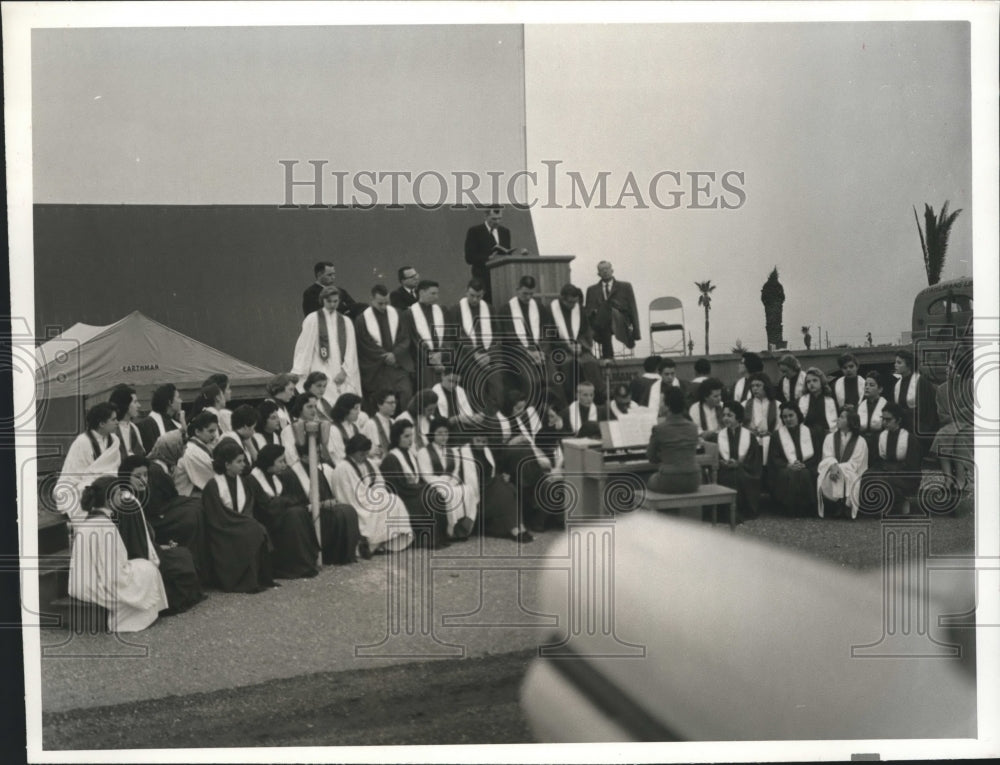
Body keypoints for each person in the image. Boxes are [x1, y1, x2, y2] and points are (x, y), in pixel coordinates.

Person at [68, 475, 169, 632]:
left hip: (80, 584)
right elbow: (115, 575)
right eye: (119, 494)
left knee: (142, 566)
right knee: (149, 568)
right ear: (110, 499)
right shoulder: (106, 527)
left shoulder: (87, 523)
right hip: (96, 586)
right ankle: (138, 617)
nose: (122, 498)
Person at [118, 457, 205, 612]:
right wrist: (158, 549)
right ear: (126, 477)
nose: (143, 480)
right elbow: (133, 541)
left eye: (145, 475)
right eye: (138, 476)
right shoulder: (127, 502)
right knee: (180, 559)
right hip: (137, 554)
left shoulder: (137, 496)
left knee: (183, 554)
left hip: (149, 546)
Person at [128, 445, 211, 585]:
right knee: (191, 515)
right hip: (156, 515)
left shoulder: (158, 467)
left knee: (196, 508)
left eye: (145, 476)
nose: (143, 479)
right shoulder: (154, 469)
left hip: (162, 508)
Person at [201, 440, 276, 593]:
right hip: (222, 529)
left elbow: (247, 507)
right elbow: (215, 516)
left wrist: (245, 522)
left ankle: (258, 579)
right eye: (239, 461)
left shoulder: (244, 482)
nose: (244, 464)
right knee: (252, 530)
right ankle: (243, 582)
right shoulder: (212, 485)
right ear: (227, 464)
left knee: (256, 529)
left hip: (240, 523)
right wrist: (243, 523)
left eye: (243, 460)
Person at [273, 442, 362, 566]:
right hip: (305, 514)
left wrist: (329, 502)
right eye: (317, 453)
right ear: (304, 456)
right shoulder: (290, 474)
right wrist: (319, 505)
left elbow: (326, 494)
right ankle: (327, 555)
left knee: (349, 510)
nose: (320, 456)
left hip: (321, 508)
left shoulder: (316, 470)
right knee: (340, 514)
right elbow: (292, 502)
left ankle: (342, 555)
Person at [330, 433, 414, 555]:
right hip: (356, 503)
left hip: (371, 498)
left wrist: (379, 494)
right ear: (352, 452)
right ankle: (371, 544)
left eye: (365, 453)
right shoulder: (343, 468)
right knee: (384, 506)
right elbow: (351, 494)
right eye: (361, 454)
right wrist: (373, 497)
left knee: (394, 500)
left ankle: (386, 542)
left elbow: (380, 482)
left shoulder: (368, 463)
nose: (364, 457)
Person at [246, 444, 321, 577]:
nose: (284, 465)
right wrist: (285, 502)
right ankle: (296, 566)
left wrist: (284, 502)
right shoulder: (253, 479)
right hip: (266, 520)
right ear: (269, 463)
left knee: (298, 512)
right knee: (295, 514)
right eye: (280, 461)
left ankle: (305, 562)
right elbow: (266, 507)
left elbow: (285, 499)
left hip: (279, 517)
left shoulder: (275, 476)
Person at [378, 419, 450, 550]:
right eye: (406, 436)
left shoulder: (410, 454)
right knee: (429, 496)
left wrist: (421, 487)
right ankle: (428, 539)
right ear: (396, 437)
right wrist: (420, 488)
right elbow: (397, 486)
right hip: (403, 496)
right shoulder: (391, 458)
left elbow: (417, 478)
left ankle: (440, 537)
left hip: (412, 491)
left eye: (411, 435)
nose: (410, 440)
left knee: (435, 493)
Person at [292, 285, 362, 403]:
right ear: (322, 300)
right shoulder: (312, 319)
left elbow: (351, 350)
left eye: (335, 301)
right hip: (319, 365)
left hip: (340, 369)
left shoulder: (346, 321)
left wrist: (345, 371)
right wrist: (300, 370)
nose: (332, 305)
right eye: (328, 301)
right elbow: (304, 347)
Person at [465, 424, 532, 542]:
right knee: (504, 489)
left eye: (483, 441)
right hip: (476, 490)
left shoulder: (486, 450)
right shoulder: (464, 452)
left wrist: (501, 476)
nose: (481, 443)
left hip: (489, 486)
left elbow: (492, 471)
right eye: (478, 440)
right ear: (472, 438)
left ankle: (519, 526)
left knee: (509, 487)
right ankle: (515, 528)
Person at [56, 402, 122, 521]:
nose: (117, 422)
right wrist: (97, 481)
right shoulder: (82, 442)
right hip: (81, 484)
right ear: (102, 423)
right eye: (114, 419)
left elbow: (114, 466)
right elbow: (76, 473)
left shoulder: (115, 440)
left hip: (108, 483)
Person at [416, 418, 479, 541]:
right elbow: (426, 474)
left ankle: (462, 528)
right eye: (439, 433)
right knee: (449, 493)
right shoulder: (423, 452)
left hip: (451, 483)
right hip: (433, 485)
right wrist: (443, 483)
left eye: (446, 433)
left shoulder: (453, 451)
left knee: (467, 490)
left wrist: (452, 482)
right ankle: (450, 529)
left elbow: (456, 471)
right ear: (432, 434)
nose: (443, 436)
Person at [448, 277, 504, 416]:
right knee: (476, 385)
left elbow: (497, 334)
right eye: (472, 295)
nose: (475, 300)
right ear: (466, 292)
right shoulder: (456, 310)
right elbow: (457, 335)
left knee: (498, 388)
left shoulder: (489, 309)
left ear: (483, 294)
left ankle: (494, 419)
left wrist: (489, 354)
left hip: (489, 356)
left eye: (478, 296)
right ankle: (480, 418)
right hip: (468, 357)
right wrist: (476, 354)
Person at [355, 283, 414, 414]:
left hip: (397, 365)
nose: (383, 307)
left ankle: (406, 423)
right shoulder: (362, 320)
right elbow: (365, 344)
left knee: (406, 393)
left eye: (386, 303)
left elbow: (404, 338)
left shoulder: (397, 314)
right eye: (380, 303)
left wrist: (395, 354)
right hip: (378, 368)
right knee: (384, 400)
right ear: (372, 300)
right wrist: (385, 356)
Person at [859, 402, 922, 516]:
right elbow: (875, 460)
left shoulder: (909, 438)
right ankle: (883, 505)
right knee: (867, 477)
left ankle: (898, 503)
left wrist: (893, 470)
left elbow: (913, 465)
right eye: (883, 419)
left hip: (904, 473)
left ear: (898, 420)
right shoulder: (880, 437)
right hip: (884, 469)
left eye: (888, 420)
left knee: (885, 480)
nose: (884, 423)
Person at [548, 283, 605, 406]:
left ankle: (597, 399)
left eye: (575, 302)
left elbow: (587, 331)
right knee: (568, 364)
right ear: (562, 298)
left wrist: (580, 345)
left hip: (580, 348)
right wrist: (566, 346)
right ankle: (570, 401)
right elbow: (549, 336)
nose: (573, 305)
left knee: (591, 363)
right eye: (570, 302)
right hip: (559, 349)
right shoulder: (550, 310)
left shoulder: (579, 309)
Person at [499, 274, 551, 408]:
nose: (528, 297)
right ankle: (531, 412)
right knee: (531, 380)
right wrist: (528, 353)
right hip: (517, 354)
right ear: (517, 290)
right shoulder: (507, 309)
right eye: (524, 293)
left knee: (554, 377)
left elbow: (547, 333)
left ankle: (550, 411)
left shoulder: (539, 307)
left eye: (531, 294)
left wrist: (540, 352)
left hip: (539, 354)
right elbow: (508, 338)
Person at [931, 350, 974, 495]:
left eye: (950, 367)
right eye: (947, 367)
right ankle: (948, 479)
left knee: (959, 438)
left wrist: (956, 415)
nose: (946, 370)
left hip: (969, 427)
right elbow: (941, 415)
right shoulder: (941, 389)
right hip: (949, 427)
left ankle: (961, 479)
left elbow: (972, 411)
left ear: (959, 370)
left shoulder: (970, 386)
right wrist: (958, 415)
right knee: (944, 435)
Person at [646, 386, 701, 494]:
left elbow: (651, 457)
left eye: (662, 402)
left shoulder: (659, 429)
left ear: (667, 406)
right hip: (694, 479)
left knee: (648, 480)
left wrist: (663, 456)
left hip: (669, 479)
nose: (660, 405)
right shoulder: (693, 427)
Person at [816, 408, 868, 519]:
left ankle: (846, 505)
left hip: (851, 472)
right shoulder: (829, 438)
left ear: (850, 422)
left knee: (847, 476)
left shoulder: (860, 441)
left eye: (841, 417)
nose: (838, 419)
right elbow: (827, 456)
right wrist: (833, 466)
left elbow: (856, 463)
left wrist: (837, 467)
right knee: (831, 475)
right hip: (831, 470)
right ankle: (835, 505)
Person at [464, 206, 522, 303]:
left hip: (501, 279)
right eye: (494, 219)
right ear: (485, 216)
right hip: (483, 279)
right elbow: (469, 257)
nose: (497, 222)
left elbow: (506, 253)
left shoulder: (505, 232)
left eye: (499, 218)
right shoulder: (475, 231)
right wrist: (488, 258)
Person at [717, 401, 763, 522]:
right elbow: (716, 458)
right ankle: (727, 513)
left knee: (738, 475)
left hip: (744, 470)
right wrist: (722, 462)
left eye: (729, 415)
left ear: (738, 417)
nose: (725, 418)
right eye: (724, 415)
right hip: (724, 470)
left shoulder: (749, 436)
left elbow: (754, 461)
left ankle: (741, 512)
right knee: (728, 476)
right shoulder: (718, 436)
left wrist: (740, 464)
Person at [769, 404, 818, 516]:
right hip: (786, 467)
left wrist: (804, 465)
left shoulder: (810, 432)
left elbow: (816, 455)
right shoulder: (777, 435)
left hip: (807, 466)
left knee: (805, 473)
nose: (788, 419)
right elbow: (774, 458)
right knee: (788, 474)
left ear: (798, 415)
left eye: (791, 415)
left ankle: (806, 510)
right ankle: (789, 509)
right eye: (785, 417)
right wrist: (788, 465)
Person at [584, 260, 640, 359]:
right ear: (598, 274)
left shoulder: (625, 286)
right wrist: (595, 311)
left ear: (612, 270)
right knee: (605, 316)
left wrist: (636, 331)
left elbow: (632, 307)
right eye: (602, 270)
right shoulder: (591, 290)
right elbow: (588, 310)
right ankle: (610, 355)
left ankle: (608, 356)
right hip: (599, 323)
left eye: (607, 269)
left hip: (621, 321)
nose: (605, 271)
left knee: (607, 310)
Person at [403, 279, 449, 391]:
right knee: (429, 394)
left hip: (443, 360)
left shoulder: (441, 310)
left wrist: (441, 354)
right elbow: (414, 340)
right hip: (423, 363)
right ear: (422, 293)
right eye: (432, 293)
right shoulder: (409, 314)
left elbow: (448, 336)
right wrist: (431, 358)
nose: (436, 297)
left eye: (437, 293)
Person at [891, 349, 939, 454]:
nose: (895, 365)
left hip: (920, 423)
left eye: (899, 363)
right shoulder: (897, 384)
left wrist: (907, 416)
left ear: (909, 365)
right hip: (903, 422)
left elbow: (927, 409)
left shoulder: (920, 381)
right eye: (895, 362)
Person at [282, 392, 335, 472]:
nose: (314, 410)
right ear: (300, 408)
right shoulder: (289, 430)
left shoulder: (321, 426)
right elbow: (291, 457)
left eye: (315, 407)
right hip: (302, 471)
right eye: (309, 407)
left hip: (323, 468)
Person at [174, 412, 220, 496]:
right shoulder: (192, 452)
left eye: (215, 431)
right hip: (186, 498)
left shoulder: (199, 447)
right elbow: (212, 478)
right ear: (198, 432)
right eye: (211, 431)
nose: (214, 436)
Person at [798, 366, 838, 455]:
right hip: (807, 438)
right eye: (808, 382)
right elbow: (800, 422)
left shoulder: (830, 401)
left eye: (815, 380)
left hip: (825, 437)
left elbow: (833, 424)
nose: (811, 384)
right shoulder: (803, 400)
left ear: (821, 381)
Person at [137, 383, 185, 453]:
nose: (181, 401)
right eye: (178, 397)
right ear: (170, 402)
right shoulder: (147, 425)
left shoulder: (176, 422)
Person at [744, 372, 780, 464]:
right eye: (752, 386)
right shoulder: (744, 405)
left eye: (758, 385)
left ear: (766, 386)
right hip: (751, 441)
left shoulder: (777, 405)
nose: (755, 388)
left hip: (772, 442)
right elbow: (742, 426)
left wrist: (771, 434)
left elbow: (780, 426)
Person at [216, 404, 260, 474]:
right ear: (246, 427)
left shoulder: (241, 439)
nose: (254, 432)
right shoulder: (229, 442)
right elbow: (245, 470)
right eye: (253, 427)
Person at [327, 392, 366, 465]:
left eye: (359, 408)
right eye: (355, 408)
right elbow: (339, 457)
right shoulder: (333, 429)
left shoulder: (355, 427)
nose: (358, 412)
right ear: (345, 410)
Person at [108, 385, 146, 460]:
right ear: (125, 405)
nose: (139, 405)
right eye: (135, 402)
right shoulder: (111, 430)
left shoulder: (134, 428)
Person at [857, 371, 888, 456]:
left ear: (880, 389)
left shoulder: (886, 405)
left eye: (871, 385)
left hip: (879, 441)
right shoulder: (861, 405)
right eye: (866, 385)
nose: (867, 387)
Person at [689, 378, 725, 443]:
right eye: (715, 396)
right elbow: (696, 432)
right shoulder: (695, 409)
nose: (719, 398)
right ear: (706, 397)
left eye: (720, 395)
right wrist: (712, 433)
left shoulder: (723, 406)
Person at [367, 389, 397, 463]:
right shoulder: (371, 424)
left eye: (395, 402)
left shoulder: (393, 422)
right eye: (390, 403)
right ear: (379, 404)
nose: (394, 405)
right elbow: (375, 452)